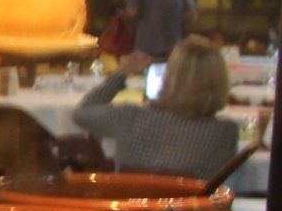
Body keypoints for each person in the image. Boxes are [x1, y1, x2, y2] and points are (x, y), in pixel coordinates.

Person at [73, 37, 240, 177]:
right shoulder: (225, 133)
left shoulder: (129, 117)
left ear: (169, 76)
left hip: (131, 206)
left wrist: (121, 73)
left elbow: (81, 113)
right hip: (187, 207)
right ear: (220, 83)